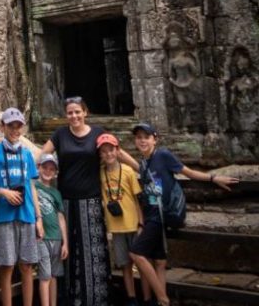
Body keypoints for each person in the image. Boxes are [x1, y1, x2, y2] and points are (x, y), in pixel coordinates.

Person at [39, 96, 138, 305]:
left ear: (85, 112)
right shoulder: (60, 134)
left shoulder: (97, 133)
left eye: (77, 112)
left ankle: (96, 298)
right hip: (66, 200)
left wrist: (140, 168)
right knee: (68, 249)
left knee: (93, 251)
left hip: (91, 201)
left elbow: (116, 151)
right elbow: (40, 155)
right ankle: (70, 297)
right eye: (70, 112)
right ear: (66, 115)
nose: (74, 116)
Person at [128, 123, 240, 306]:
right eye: (138, 137)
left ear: (154, 139)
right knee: (159, 262)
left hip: (160, 216)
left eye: (146, 137)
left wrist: (213, 178)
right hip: (152, 216)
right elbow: (138, 171)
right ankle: (161, 302)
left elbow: (187, 172)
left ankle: (163, 299)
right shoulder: (144, 161)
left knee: (137, 254)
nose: (142, 140)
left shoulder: (163, 155)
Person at [0, 107, 44, 306]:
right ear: (2, 127)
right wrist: (4, 192)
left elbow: (31, 186)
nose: (15, 130)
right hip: (5, 216)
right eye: (11, 126)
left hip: (26, 215)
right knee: (6, 266)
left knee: (27, 266)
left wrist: (39, 217)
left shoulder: (26, 154)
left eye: (18, 126)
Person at [97, 133, 143, 306]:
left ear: (117, 151)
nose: (108, 154)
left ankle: (146, 297)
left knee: (141, 262)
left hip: (132, 224)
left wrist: (141, 223)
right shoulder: (100, 174)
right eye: (104, 151)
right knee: (124, 265)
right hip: (116, 227)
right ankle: (131, 297)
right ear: (100, 154)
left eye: (111, 150)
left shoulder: (128, 171)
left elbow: (138, 199)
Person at [35, 153, 68, 306]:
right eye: (45, 167)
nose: (48, 171)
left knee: (54, 275)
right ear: (38, 168)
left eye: (51, 169)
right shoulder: (33, 186)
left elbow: (61, 217)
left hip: (56, 237)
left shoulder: (56, 193)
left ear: (55, 173)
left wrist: (65, 243)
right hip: (41, 237)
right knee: (45, 276)